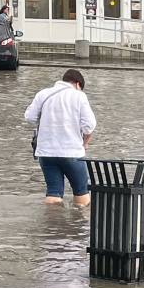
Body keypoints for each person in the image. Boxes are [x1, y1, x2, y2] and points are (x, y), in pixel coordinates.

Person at [25, 69, 97, 205]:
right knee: (81, 192)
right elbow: (89, 125)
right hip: (72, 153)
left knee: (53, 191)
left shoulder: (43, 94)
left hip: (46, 153)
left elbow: (30, 118)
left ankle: (54, 224)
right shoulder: (79, 96)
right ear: (77, 84)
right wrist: (85, 142)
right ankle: (79, 223)